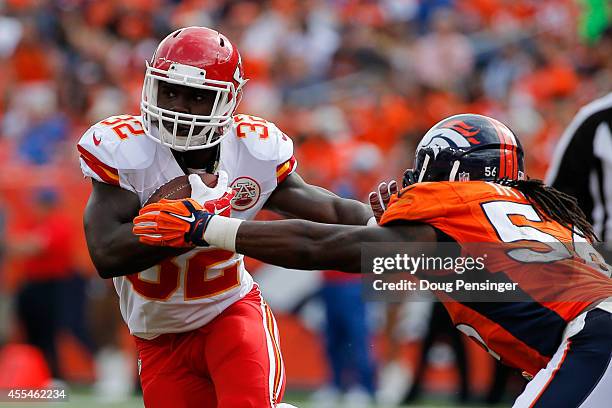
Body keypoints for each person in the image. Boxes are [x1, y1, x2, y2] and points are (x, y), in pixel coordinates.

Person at [135, 113, 612, 407]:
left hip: (595, 340)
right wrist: (393, 233)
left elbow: (326, 249)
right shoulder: (541, 212)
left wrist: (205, 228)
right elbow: (481, 275)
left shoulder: (454, 204)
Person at [78, 27, 372, 408]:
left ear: (228, 100)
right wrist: (189, 225)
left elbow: (329, 208)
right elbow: (106, 254)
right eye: (170, 91)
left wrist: (384, 223)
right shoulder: (127, 152)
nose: (179, 106)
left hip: (230, 313)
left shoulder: (251, 150)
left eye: (197, 96)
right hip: (158, 338)